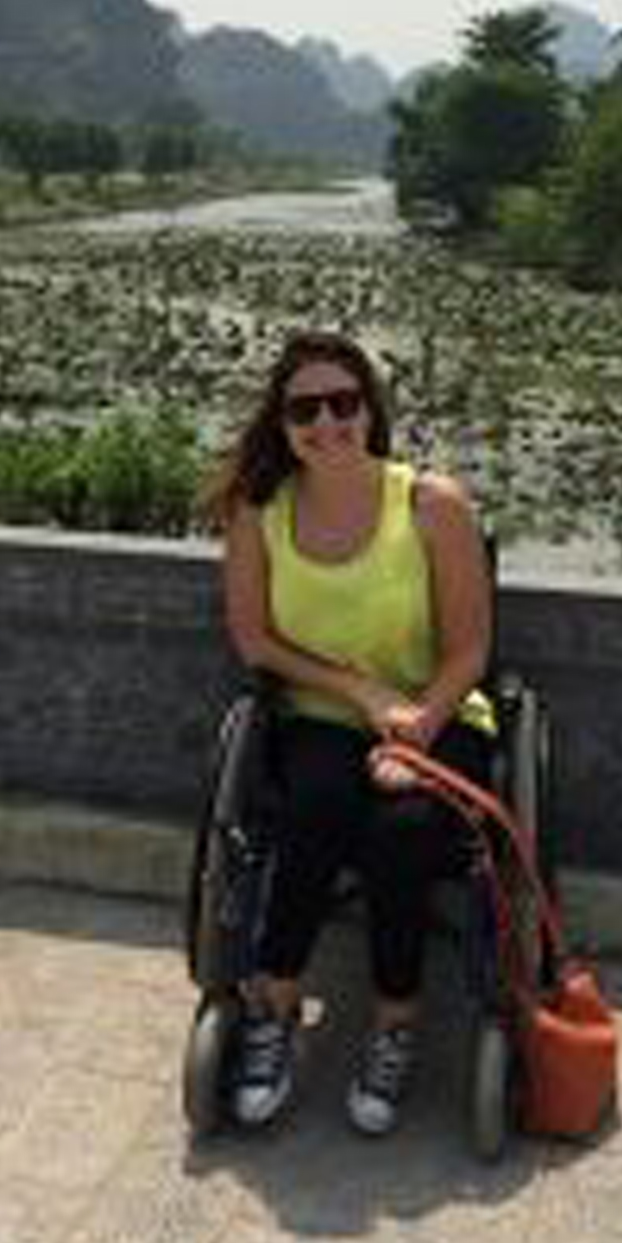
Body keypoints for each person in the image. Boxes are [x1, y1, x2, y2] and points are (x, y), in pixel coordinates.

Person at [202, 329, 496, 1136]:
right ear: (282, 421)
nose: (326, 422)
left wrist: (415, 730)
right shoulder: (260, 512)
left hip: (439, 713)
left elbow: (470, 649)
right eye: (305, 409)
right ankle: (276, 999)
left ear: (369, 407)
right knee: (317, 804)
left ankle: (395, 1023)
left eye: (343, 403)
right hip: (322, 713)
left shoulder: (432, 505)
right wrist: (356, 690)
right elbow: (256, 640)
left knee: (403, 832)